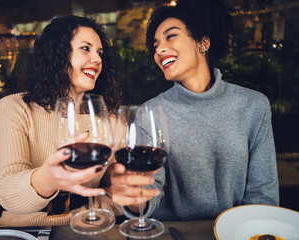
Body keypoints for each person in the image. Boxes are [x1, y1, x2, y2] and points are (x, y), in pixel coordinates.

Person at [110, 0, 279, 221]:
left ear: (203, 42)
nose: (159, 49)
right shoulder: (150, 112)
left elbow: (263, 193)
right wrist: (134, 200)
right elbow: (150, 192)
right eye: (155, 45)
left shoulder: (254, 106)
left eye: (171, 36)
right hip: (176, 232)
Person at [0, 15, 122, 226]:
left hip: (89, 228)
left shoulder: (108, 117)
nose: (98, 59)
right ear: (57, 54)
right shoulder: (14, 108)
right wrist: (47, 178)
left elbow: (115, 189)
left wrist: (97, 212)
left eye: (100, 53)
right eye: (85, 48)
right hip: (25, 230)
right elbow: (6, 191)